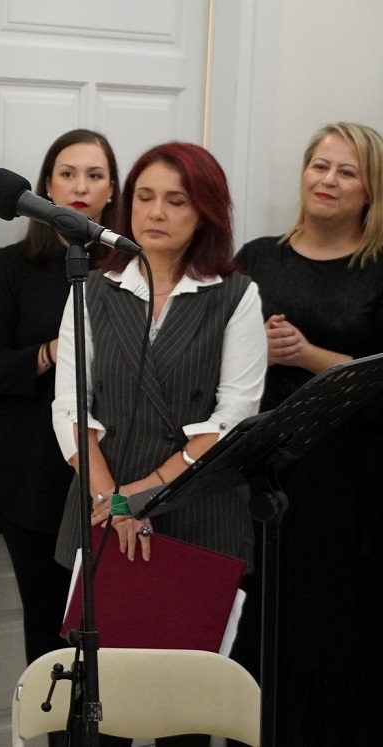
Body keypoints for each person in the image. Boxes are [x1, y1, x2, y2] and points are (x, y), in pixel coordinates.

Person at [50, 142, 267, 745]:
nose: (156, 212)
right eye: (144, 197)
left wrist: (141, 496)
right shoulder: (92, 288)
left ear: (205, 213)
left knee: (185, 715)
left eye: (176, 201)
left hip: (198, 511)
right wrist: (113, 501)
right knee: (98, 707)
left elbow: (232, 418)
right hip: (103, 510)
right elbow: (71, 408)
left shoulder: (235, 294)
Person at [235, 122, 383, 747]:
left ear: (370, 190)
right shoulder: (257, 257)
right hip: (264, 470)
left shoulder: (375, 269)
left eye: (347, 172)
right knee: (261, 623)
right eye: (319, 166)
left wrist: (307, 354)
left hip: (350, 481)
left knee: (336, 630)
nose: (328, 180)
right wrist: (253, 347)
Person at [0, 129, 119, 677]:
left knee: (115, 639)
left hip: (110, 473)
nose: (80, 187)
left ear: (112, 191)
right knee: (49, 635)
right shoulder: (12, 266)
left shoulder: (128, 269)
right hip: (33, 476)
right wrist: (55, 352)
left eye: (95, 175)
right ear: (46, 188)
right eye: (67, 174)